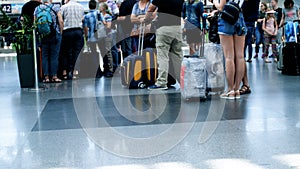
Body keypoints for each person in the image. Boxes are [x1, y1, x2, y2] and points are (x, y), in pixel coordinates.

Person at [144, 0, 184, 90]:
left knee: (163, 56)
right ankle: (183, 81)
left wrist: (146, 19)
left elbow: (151, 8)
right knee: (178, 56)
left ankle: (162, 82)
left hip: (164, 29)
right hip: (177, 28)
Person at [213, 0, 247, 99]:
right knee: (240, 57)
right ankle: (237, 89)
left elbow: (221, 7)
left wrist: (215, 1)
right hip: (239, 17)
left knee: (229, 57)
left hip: (227, 19)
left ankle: (230, 90)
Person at [34, 0, 63, 83]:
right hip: (54, 35)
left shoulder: (37, 9)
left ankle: (46, 77)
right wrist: (60, 33)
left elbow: (35, 24)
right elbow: (60, 21)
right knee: (54, 56)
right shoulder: (55, 7)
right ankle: (54, 76)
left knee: (45, 56)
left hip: (43, 36)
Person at [238, 0, 260, 95]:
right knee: (240, 55)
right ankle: (244, 84)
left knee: (240, 55)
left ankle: (243, 84)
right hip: (246, 22)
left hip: (246, 22)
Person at [60, 0, 85, 80]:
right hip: (78, 30)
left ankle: (65, 72)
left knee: (66, 52)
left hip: (67, 31)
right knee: (77, 51)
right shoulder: (81, 7)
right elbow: (82, 19)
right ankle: (75, 72)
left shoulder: (63, 7)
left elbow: (61, 20)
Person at [98, 2, 114, 77]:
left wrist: (103, 21)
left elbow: (108, 26)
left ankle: (110, 69)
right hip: (101, 36)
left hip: (107, 36)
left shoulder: (107, 16)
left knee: (108, 52)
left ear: (103, 8)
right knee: (102, 52)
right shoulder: (99, 15)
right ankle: (105, 68)